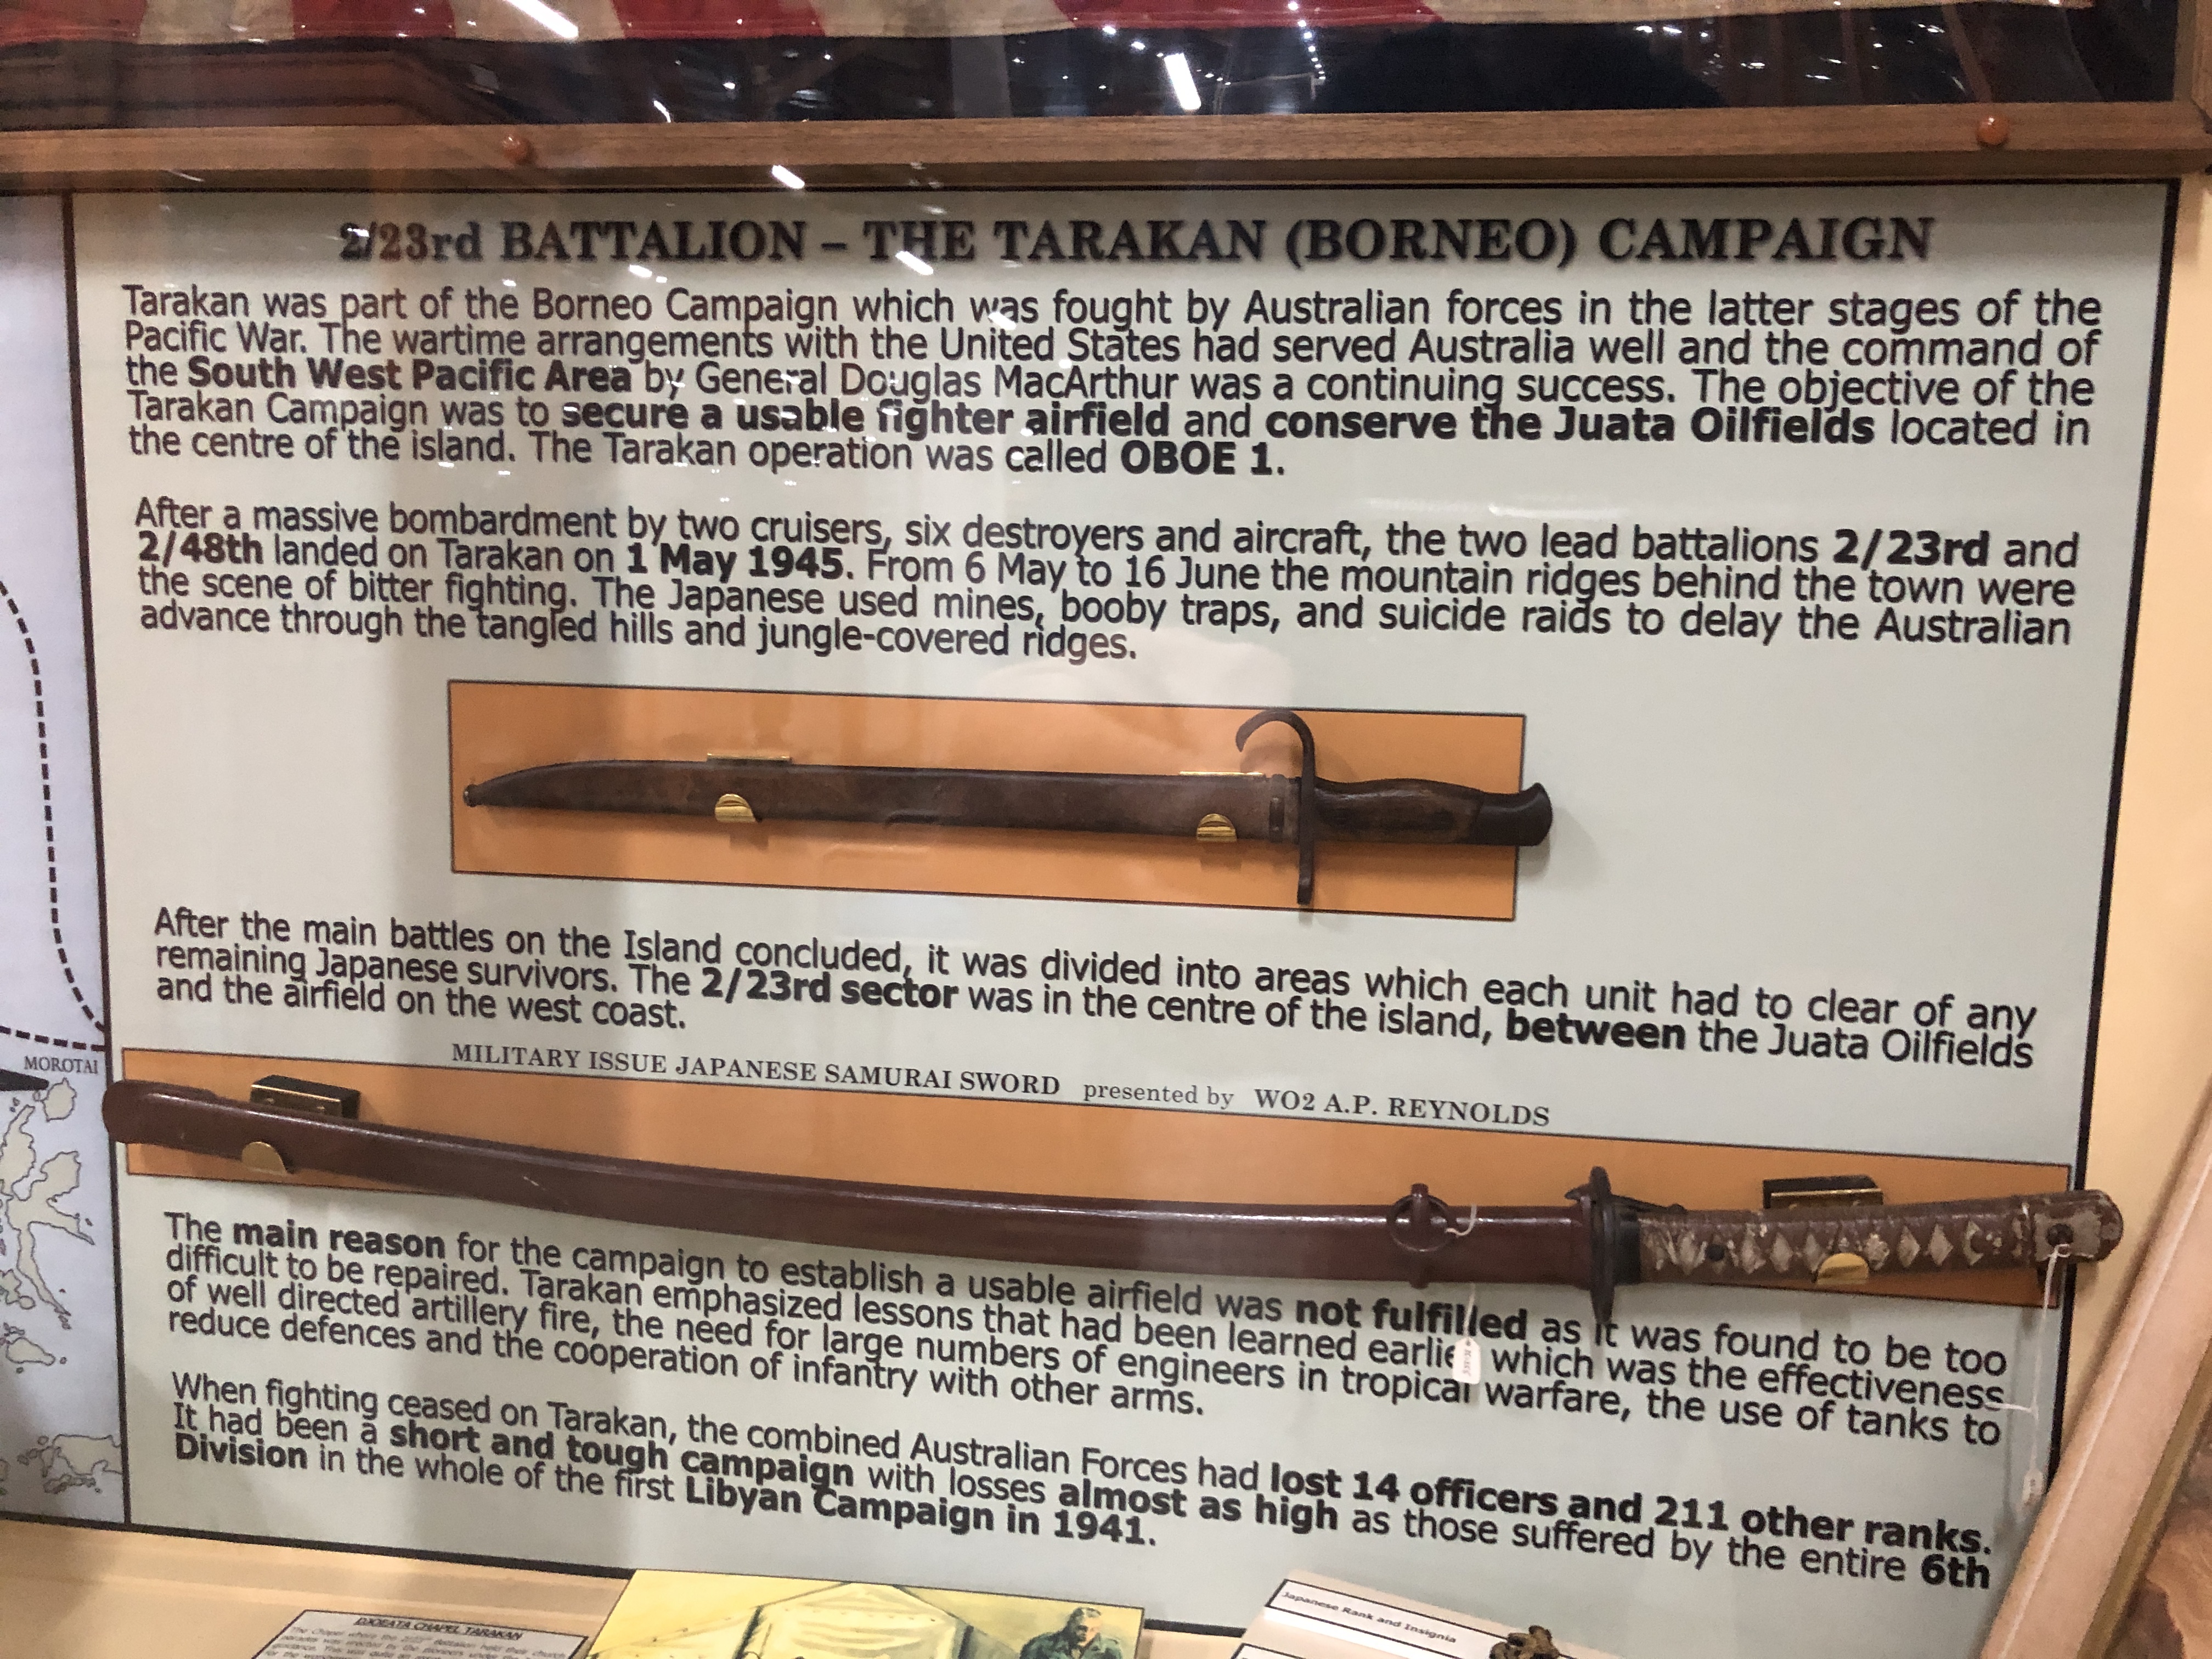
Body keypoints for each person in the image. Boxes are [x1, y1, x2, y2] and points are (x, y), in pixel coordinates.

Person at [1022, 1607, 1124, 1659]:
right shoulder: (1040, 1645)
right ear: (1070, 1624)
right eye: (1082, 1628)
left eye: (1093, 1630)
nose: (1087, 1633)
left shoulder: (1110, 1650)